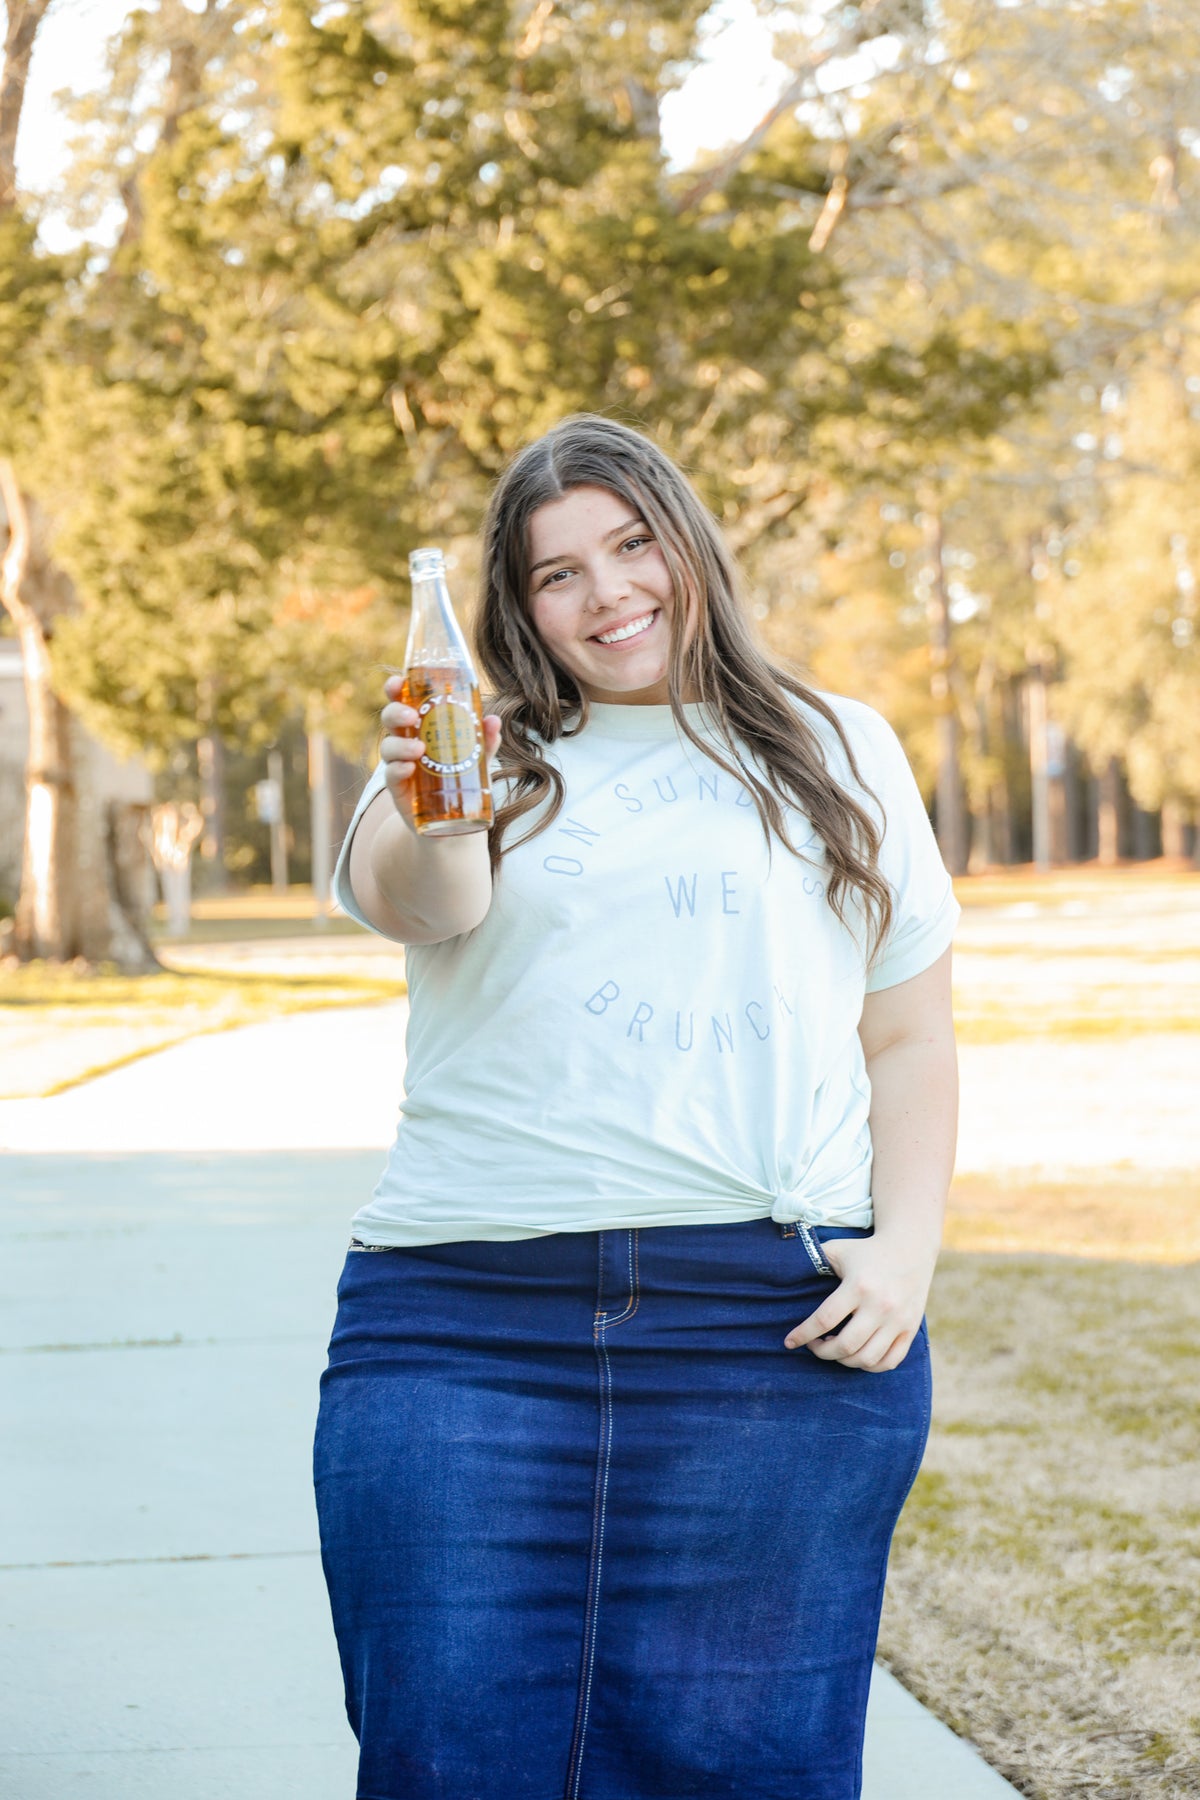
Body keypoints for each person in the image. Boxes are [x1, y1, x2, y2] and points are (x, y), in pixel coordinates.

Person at [314, 413, 959, 1800]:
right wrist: (439, 810)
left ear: (688, 544)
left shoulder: (840, 746)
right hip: (463, 1327)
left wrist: (905, 1250)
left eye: (630, 544)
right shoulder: (462, 756)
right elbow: (432, 904)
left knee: (744, 1767)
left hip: (763, 1332)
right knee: (445, 1759)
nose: (606, 592)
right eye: (558, 573)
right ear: (517, 605)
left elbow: (907, 1034)